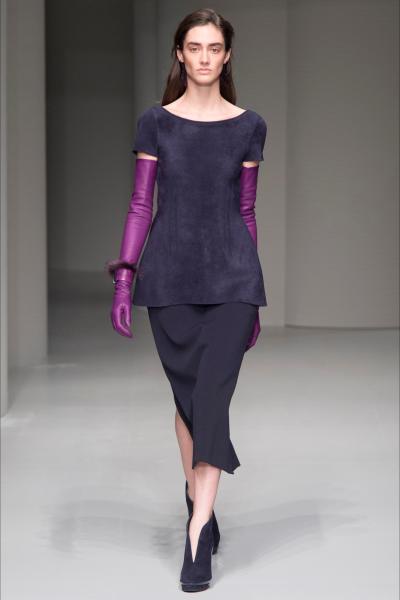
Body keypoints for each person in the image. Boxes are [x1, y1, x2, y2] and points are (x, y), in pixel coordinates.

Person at [106, 7, 268, 593]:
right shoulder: (156, 123)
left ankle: (197, 530)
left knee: (212, 400)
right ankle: (201, 497)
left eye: (214, 48)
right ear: (180, 53)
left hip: (232, 282)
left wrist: (253, 289)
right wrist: (125, 277)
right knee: (190, 400)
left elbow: (246, 211)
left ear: (227, 56)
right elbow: (140, 204)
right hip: (170, 280)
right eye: (194, 47)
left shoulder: (249, 127)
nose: (204, 57)